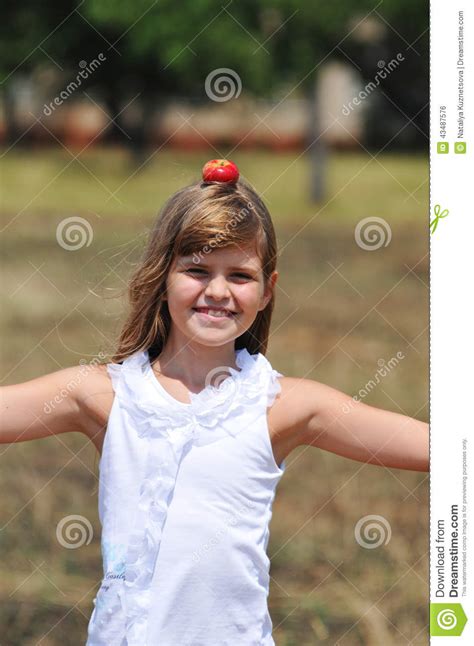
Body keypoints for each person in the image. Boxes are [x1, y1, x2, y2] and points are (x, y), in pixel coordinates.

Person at [0, 159, 429, 645]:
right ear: (163, 277)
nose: (218, 292)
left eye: (240, 276)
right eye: (197, 270)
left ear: (268, 290)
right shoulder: (106, 396)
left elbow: (440, 449)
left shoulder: (282, 405)